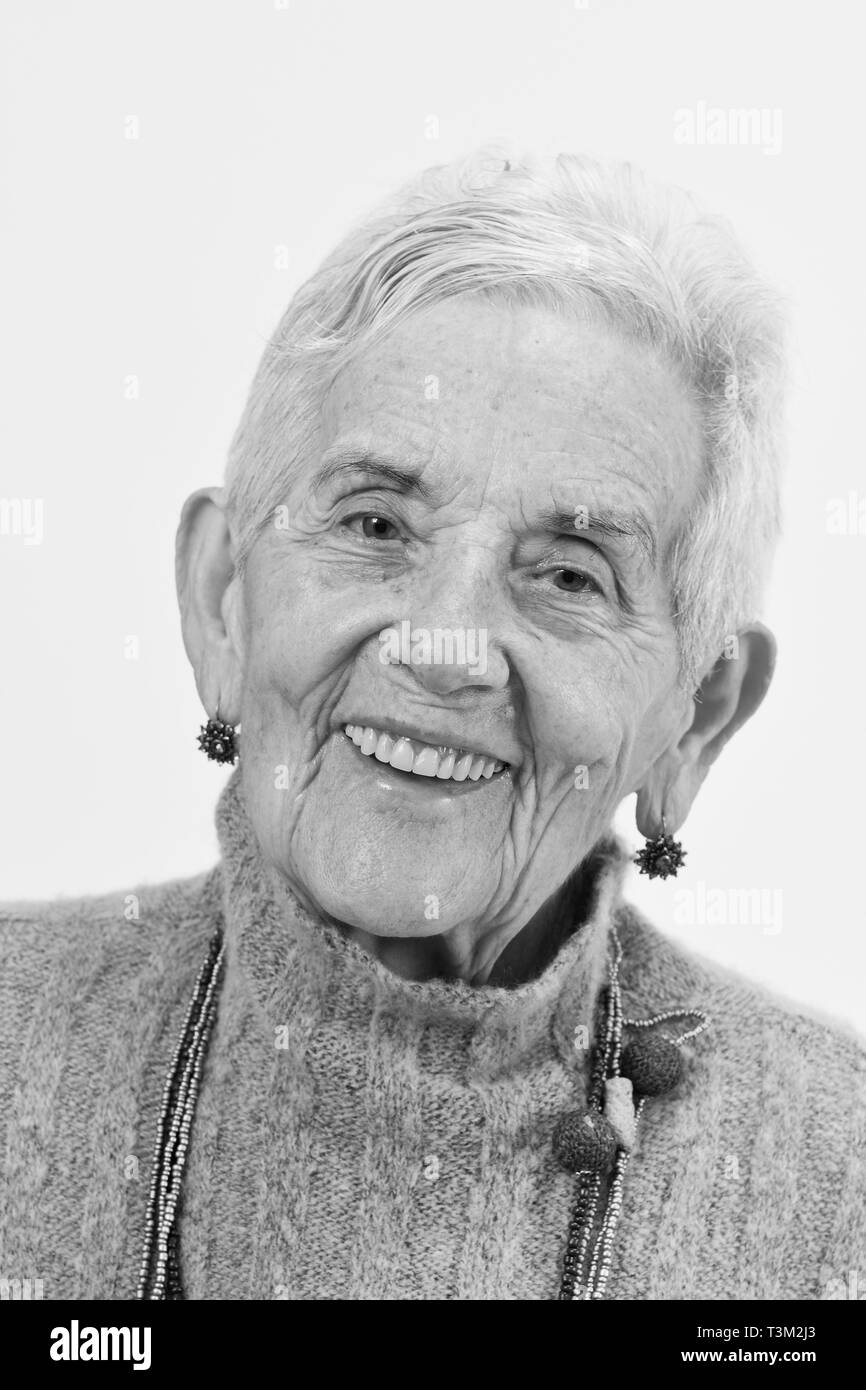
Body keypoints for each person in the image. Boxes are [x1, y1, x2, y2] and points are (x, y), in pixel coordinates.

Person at [1, 151, 863, 1301]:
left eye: (567, 576)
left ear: (693, 716)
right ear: (222, 597)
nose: (440, 644)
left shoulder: (836, 1185)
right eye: (373, 523)